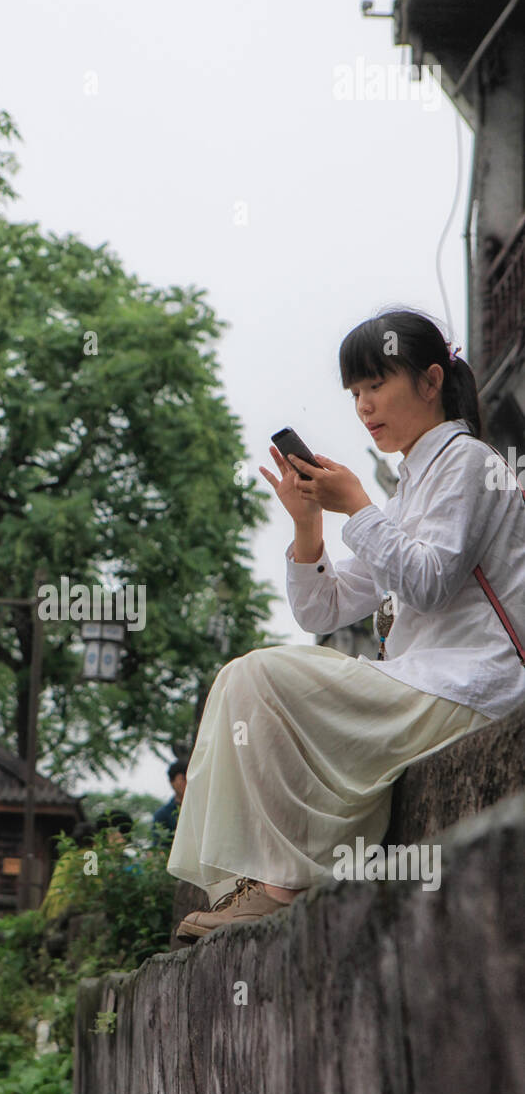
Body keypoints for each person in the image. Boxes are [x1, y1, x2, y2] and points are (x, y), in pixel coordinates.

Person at [168, 307, 525, 941]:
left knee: (260, 678)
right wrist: (310, 527)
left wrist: (358, 505)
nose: (364, 405)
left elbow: (429, 579)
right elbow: (322, 610)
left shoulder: (469, 463)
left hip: (471, 688)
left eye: (376, 384)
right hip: (427, 683)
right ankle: (267, 879)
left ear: (430, 380)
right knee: (244, 680)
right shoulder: (412, 487)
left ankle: (285, 882)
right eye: (355, 392)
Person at [151, 760, 188, 843]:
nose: (186, 782)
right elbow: (158, 845)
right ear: (172, 782)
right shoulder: (163, 814)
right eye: (183, 779)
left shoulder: (202, 808)